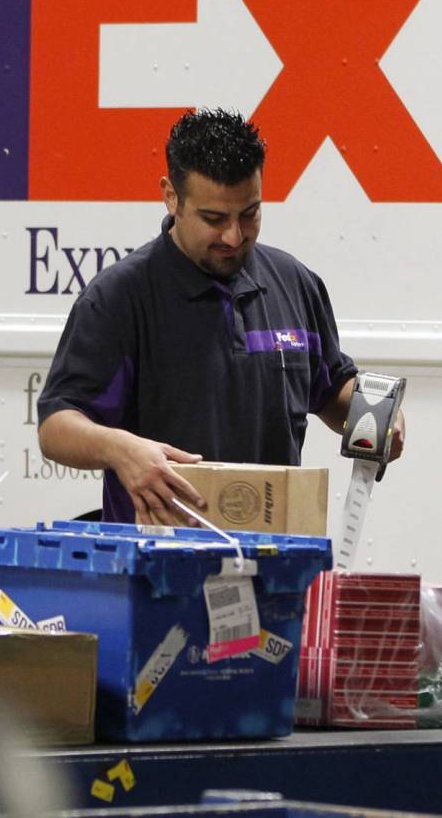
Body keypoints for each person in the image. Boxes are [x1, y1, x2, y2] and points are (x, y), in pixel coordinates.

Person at [37, 108, 403, 526]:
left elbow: (332, 387)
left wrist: (377, 419)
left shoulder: (294, 283)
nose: (233, 236)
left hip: (275, 564)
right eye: (214, 219)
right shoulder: (119, 298)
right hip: (155, 570)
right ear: (171, 196)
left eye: (250, 213)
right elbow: (56, 425)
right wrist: (121, 450)